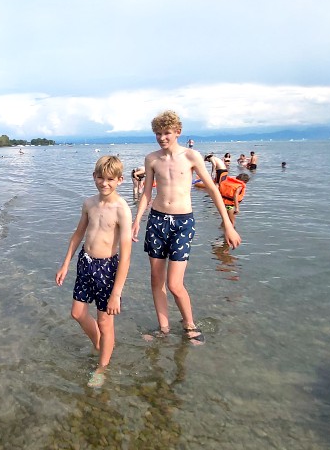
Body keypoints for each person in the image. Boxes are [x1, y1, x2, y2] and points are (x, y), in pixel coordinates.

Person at [132, 110, 241, 345]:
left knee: (174, 283)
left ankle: (189, 324)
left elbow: (213, 189)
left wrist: (228, 226)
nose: (162, 138)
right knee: (156, 280)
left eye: (167, 133)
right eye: (158, 134)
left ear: (178, 132)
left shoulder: (191, 156)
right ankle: (163, 328)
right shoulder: (151, 159)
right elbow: (147, 192)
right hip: (157, 220)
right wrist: (136, 220)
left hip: (183, 223)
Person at [56, 156, 132, 388]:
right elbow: (78, 234)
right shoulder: (89, 203)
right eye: (100, 177)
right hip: (85, 263)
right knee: (77, 313)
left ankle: (102, 367)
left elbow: (126, 254)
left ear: (119, 180)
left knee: (104, 320)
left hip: (107, 268)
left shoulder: (122, 210)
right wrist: (66, 263)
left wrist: (116, 292)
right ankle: (100, 345)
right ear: (94, 177)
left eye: (110, 179)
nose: (104, 183)